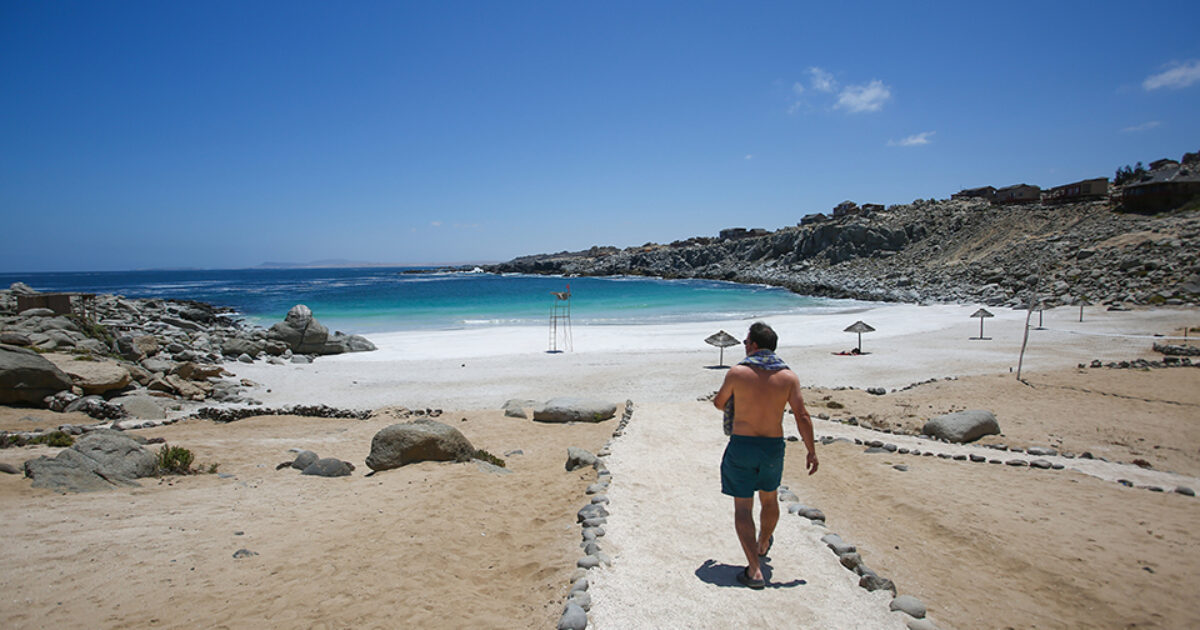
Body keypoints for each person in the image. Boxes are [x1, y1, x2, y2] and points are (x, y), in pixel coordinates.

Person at [712, 321, 818, 589]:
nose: (745, 346)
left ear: (755, 345)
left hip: (742, 445)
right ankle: (762, 544)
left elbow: (718, 402)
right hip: (772, 446)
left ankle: (755, 570)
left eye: (747, 342)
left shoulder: (737, 373)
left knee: (743, 507)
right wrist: (811, 450)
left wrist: (738, 403)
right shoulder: (788, 377)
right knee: (769, 499)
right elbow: (802, 415)